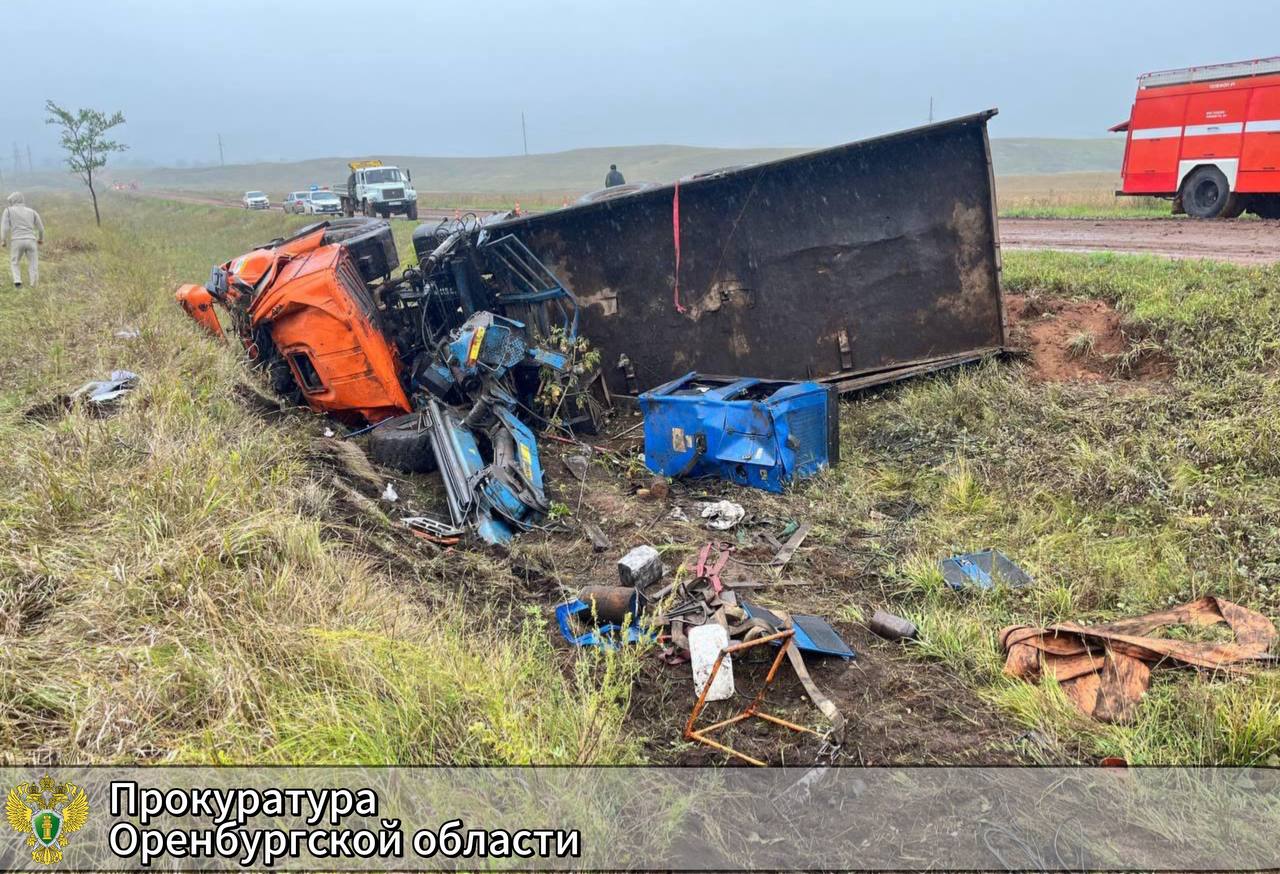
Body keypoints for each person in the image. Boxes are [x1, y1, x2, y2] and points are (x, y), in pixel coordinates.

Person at [1, 192, 44, 288]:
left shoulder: (8, 210)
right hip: (31, 240)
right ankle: (34, 284)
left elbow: (4, 227)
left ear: (13, 201)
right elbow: (41, 228)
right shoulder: (32, 211)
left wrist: (3, 240)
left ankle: (17, 282)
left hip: (17, 240)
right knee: (33, 263)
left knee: (15, 261)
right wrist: (40, 239)